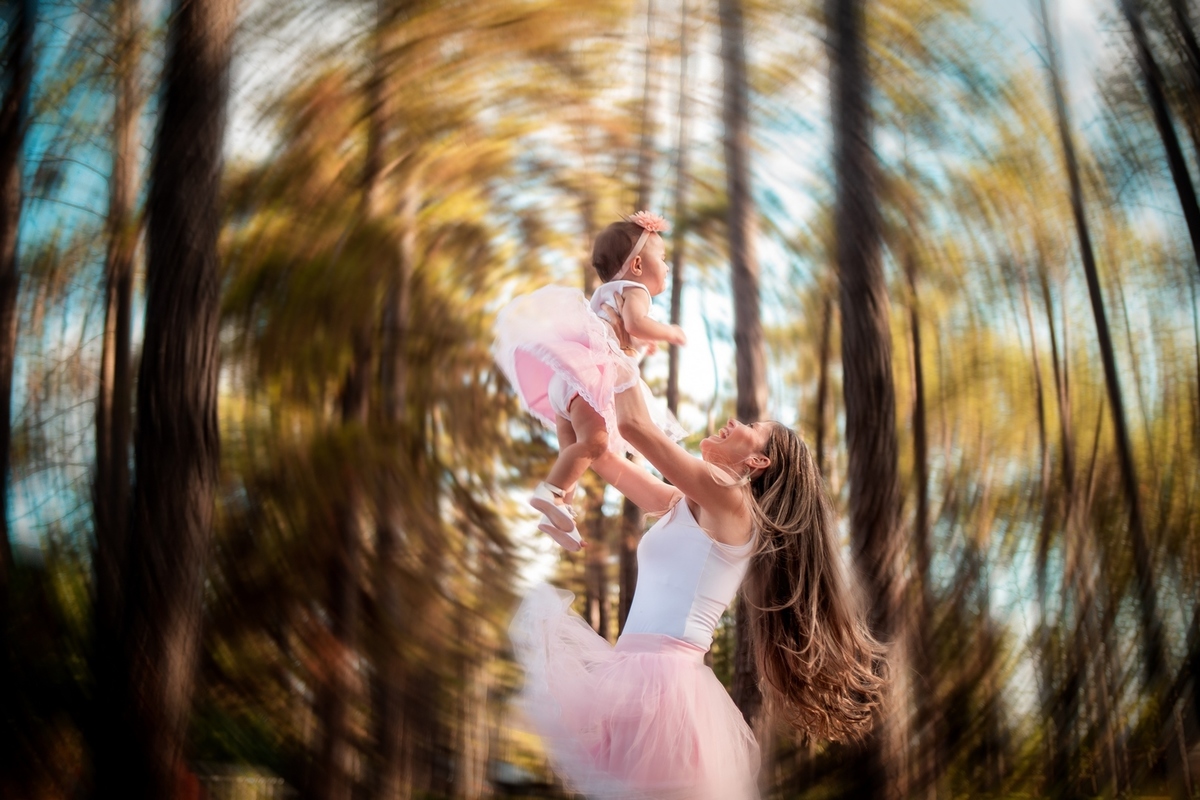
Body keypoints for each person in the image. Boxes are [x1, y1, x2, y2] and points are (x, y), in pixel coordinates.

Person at [508, 308, 888, 799]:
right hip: (632, 675)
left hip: (665, 687)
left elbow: (638, 428)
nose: (733, 420)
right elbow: (603, 457)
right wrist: (571, 396)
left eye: (750, 426)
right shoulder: (685, 504)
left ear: (757, 461)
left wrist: (615, 355)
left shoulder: (730, 501)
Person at [492, 211, 687, 551]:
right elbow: (637, 323)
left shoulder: (608, 293)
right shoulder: (635, 290)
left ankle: (559, 512)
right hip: (589, 381)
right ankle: (551, 492)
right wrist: (668, 332)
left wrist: (643, 343)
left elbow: (621, 333)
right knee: (595, 444)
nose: (667, 266)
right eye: (663, 258)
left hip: (566, 381)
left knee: (572, 451)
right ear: (638, 265)